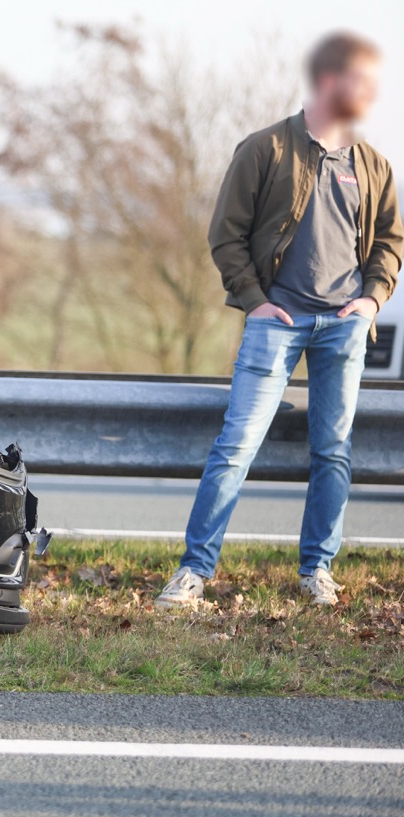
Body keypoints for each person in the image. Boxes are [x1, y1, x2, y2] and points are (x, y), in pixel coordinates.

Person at [157, 31, 402, 609]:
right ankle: (194, 571)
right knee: (236, 445)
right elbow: (226, 236)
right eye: (360, 81)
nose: (370, 93)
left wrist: (370, 301)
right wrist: (253, 299)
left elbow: (390, 242)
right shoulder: (266, 148)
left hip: (344, 326)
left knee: (333, 450)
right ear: (329, 79)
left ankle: (317, 570)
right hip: (276, 322)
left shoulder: (372, 164)